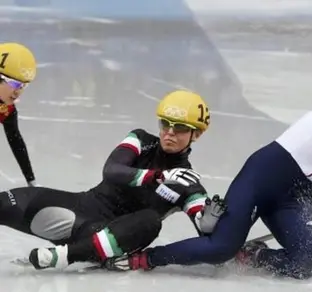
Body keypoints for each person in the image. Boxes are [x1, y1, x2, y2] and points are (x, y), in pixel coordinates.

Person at [107, 54, 312, 279]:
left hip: (296, 194)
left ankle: (249, 255)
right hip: (264, 174)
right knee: (219, 248)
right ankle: (145, 258)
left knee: (304, 263)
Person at [1, 89, 226, 270]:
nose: (169, 132)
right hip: (80, 207)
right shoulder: (141, 139)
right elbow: (112, 171)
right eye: (164, 124)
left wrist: (207, 225)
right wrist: (157, 176)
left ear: (196, 134)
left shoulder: (188, 184)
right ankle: (71, 253)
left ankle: (65, 256)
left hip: (109, 234)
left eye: (179, 128)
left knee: (150, 221)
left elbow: (209, 235)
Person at [0, 42, 39, 187]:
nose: (18, 92)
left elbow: (15, 141)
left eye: (23, 85)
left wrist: (31, 181)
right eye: (15, 84)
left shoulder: (5, 109)